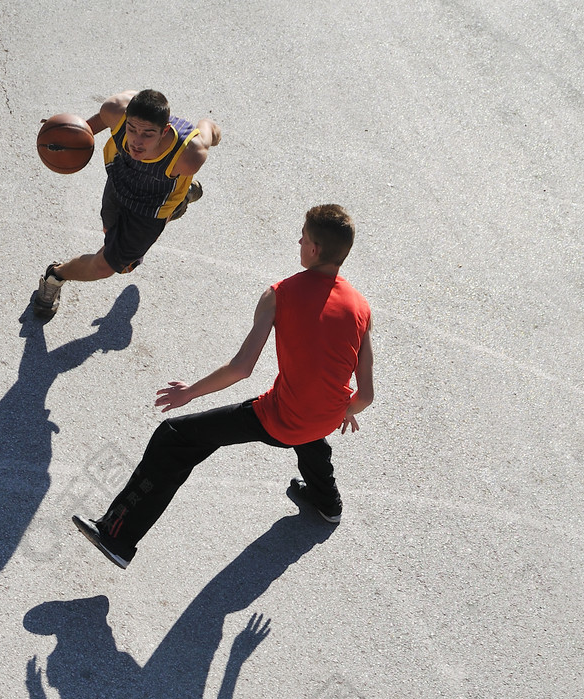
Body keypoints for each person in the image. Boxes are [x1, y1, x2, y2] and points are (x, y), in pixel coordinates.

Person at [72, 204, 374, 569]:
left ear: (313, 249)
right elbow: (366, 395)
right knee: (309, 423)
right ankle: (327, 503)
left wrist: (190, 392)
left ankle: (117, 536)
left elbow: (241, 367)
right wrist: (345, 409)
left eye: (304, 237)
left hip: (282, 419)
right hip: (328, 415)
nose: (299, 240)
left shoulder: (281, 293)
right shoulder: (361, 307)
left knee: (174, 437)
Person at [32, 89, 222, 319]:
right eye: (132, 129)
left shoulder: (190, 154)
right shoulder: (116, 110)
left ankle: (55, 275)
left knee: (107, 266)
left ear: (164, 131)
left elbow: (206, 134)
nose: (137, 141)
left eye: (148, 134)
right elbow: (85, 131)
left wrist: (211, 129)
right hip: (120, 180)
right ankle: (183, 199)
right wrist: (62, 136)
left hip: (153, 207)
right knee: (108, 233)